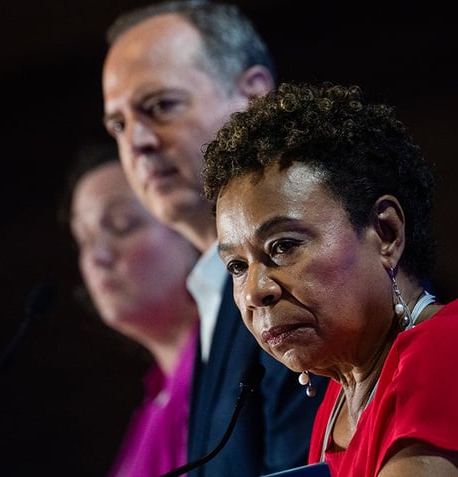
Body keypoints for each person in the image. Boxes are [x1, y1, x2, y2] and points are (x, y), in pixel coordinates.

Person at [202, 81, 458, 477]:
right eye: (237, 266)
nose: (255, 291)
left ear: (386, 233)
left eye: (283, 247)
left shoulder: (455, 352)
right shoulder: (335, 409)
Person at [101, 1, 327, 476]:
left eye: (161, 107)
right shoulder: (214, 289)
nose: (136, 142)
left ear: (253, 96)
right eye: (118, 125)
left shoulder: (306, 272)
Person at [60, 142, 200, 477]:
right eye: (85, 239)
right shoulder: (155, 400)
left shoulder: (238, 371)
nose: (98, 257)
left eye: (123, 225)